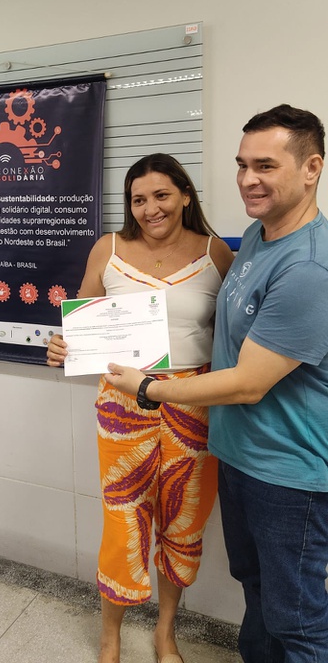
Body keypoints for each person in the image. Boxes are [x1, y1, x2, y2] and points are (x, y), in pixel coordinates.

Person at [105, 105, 328, 663]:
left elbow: (249, 382)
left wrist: (150, 389)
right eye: (242, 164)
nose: (249, 179)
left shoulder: (307, 267)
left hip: (287, 470)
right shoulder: (258, 237)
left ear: (312, 168)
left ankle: (168, 632)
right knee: (257, 590)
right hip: (235, 452)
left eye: (266, 165)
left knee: (298, 619)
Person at [47, 152, 233, 663]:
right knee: (122, 523)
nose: (151, 209)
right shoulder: (108, 249)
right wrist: (61, 346)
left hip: (193, 407)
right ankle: (110, 635)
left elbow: (233, 337)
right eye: (138, 199)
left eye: (162, 195)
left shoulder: (215, 252)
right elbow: (80, 324)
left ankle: (165, 632)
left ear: (185, 196)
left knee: (184, 522)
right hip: (123, 407)